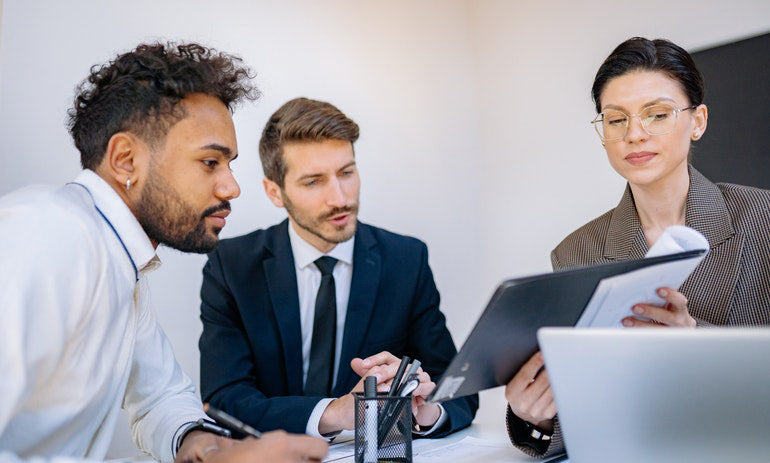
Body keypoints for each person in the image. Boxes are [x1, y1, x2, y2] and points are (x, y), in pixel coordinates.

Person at [0, 42, 328, 463]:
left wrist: (209, 450)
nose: (232, 188)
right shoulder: (51, 233)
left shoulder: (122, 264)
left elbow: (160, 397)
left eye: (229, 165)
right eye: (210, 162)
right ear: (125, 160)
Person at [504, 37, 770, 458]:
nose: (634, 135)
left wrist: (696, 343)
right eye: (615, 120)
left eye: (657, 115)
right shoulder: (576, 253)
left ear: (697, 120)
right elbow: (590, 399)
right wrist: (537, 417)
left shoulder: (763, 217)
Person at [198, 97, 478, 438]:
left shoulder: (406, 260)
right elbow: (224, 399)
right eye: (313, 181)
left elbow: (457, 388)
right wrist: (338, 412)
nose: (340, 198)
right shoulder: (232, 266)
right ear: (275, 192)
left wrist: (425, 408)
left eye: (346, 173)